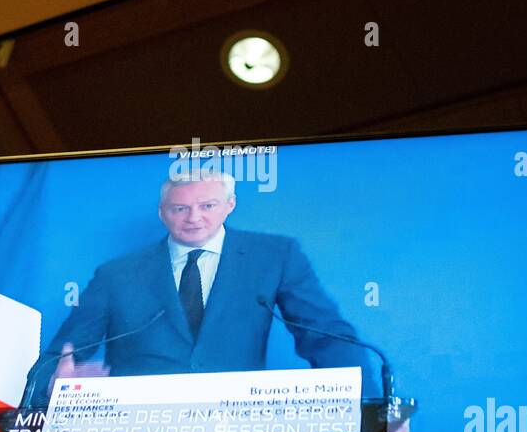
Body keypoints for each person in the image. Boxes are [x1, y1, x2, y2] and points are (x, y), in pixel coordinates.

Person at [23, 169, 382, 407]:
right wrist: (52, 390)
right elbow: (61, 356)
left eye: (207, 205)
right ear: (163, 213)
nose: (194, 218)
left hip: (238, 427)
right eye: (180, 208)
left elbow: (329, 338)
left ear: (230, 205)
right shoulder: (116, 274)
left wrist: (370, 412)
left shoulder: (274, 256)